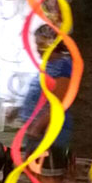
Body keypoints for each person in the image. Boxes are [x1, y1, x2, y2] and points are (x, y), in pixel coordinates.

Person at [20, 24, 73, 153]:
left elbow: (58, 101)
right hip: (37, 128)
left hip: (50, 130)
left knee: (46, 170)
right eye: (37, 45)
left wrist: (38, 126)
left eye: (41, 45)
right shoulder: (48, 65)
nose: (37, 49)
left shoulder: (63, 66)